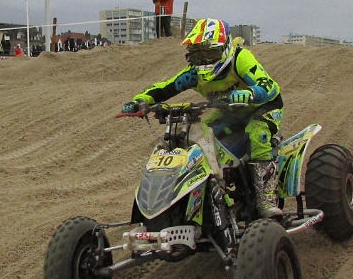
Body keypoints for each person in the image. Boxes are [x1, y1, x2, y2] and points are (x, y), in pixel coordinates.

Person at [121, 18, 285, 217]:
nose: (205, 60)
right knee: (199, 136)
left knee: (258, 133)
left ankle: (266, 200)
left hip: (263, 107)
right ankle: (207, 196)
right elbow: (166, 87)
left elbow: (270, 86)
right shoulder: (194, 74)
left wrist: (250, 93)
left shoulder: (240, 58)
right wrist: (140, 100)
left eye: (210, 52)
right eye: (198, 55)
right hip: (230, 112)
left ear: (224, 48)